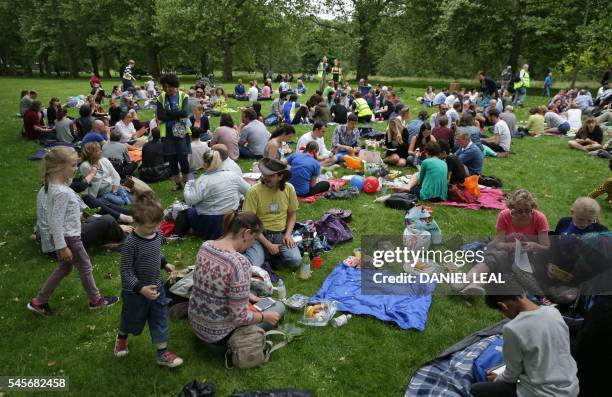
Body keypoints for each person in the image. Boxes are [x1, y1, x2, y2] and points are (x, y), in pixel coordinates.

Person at [27, 147, 119, 315]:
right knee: (85, 265)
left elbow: (67, 186)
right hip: (69, 237)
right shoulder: (62, 192)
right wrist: (62, 246)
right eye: (73, 165)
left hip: (65, 236)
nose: (76, 168)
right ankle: (96, 300)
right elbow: (55, 221)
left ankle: (39, 301)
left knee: (65, 268)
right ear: (59, 168)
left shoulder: (54, 185)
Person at [469, 281, 579, 397]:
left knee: (475, 389)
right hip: (571, 389)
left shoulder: (512, 329)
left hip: (542, 393)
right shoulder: (554, 312)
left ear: (503, 306)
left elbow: (511, 375)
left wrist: (497, 378)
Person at [188, 212, 282, 347]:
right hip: (220, 336)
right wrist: (264, 317)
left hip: (197, 326)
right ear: (247, 233)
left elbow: (215, 285)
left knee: (252, 296)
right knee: (279, 307)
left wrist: (248, 295)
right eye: (254, 239)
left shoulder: (206, 246)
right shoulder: (239, 263)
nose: (252, 244)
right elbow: (240, 318)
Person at [113, 191, 183, 367]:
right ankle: (122, 337)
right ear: (136, 222)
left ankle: (162, 354)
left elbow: (156, 254)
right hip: (136, 293)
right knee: (131, 319)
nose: (155, 230)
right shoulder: (131, 244)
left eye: (157, 226)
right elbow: (126, 272)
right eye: (150, 227)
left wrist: (165, 263)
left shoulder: (157, 235)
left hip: (157, 289)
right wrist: (140, 289)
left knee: (160, 319)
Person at [457, 189, 550, 295]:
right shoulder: (504, 216)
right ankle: (464, 283)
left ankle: (471, 286)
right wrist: (512, 242)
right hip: (505, 248)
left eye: (528, 210)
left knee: (504, 268)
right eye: (520, 211)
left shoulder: (539, 218)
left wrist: (533, 245)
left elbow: (546, 247)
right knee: (494, 258)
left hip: (526, 255)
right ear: (513, 208)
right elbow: (499, 244)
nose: (524, 214)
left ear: (532, 207)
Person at [176, 150, 250, 240]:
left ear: (205, 163)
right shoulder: (233, 176)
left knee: (184, 213)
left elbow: (189, 200)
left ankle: (177, 235)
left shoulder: (202, 180)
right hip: (230, 220)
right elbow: (249, 191)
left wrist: (189, 183)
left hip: (209, 221)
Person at [243, 158, 301, 269]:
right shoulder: (253, 191)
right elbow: (249, 222)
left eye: (271, 175)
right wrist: (268, 245)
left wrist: (288, 234)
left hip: (281, 234)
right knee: (253, 266)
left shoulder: (289, 189)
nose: (266, 178)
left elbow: (292, 214)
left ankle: (268, 254)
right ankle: (266, 252)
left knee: (296, 261)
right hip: (258, 235)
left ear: (280, 177)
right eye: (265, 174)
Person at [155, 74, 192, 191]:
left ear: (175, 86)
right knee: (171, 160)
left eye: (169, 87)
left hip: (180, 130)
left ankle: (187, 182)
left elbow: (184, 113)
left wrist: (168, 113)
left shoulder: (183, 96)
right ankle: (177, 183)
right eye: (164, 87)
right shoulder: (160, 98)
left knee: (183, 158)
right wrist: (175, 113)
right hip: (167, 133)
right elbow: (160, 116)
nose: (167, 90)